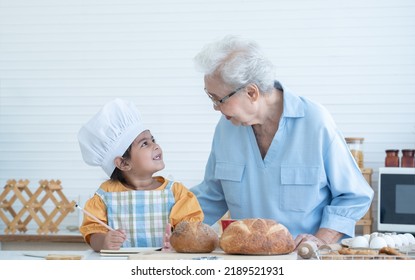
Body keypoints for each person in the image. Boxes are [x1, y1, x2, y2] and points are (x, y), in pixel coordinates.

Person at [190, 35, 374, 248]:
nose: (215, 108)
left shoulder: (316, 122)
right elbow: (211, 196)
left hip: (304, 260)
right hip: (246, 260)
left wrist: (321, 240)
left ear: (251, 92)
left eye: (218, 99)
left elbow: (354, 195)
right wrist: (174, 224)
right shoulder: (226, 129)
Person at [77, 98, 203, 252]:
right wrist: (104, 241)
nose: (155, 145)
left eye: (153, 140)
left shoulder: (177, 193)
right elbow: (93, 232)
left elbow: (191, 231)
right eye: (145, 143)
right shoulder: (105, 195)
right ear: (123, 163)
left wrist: (179, 242)